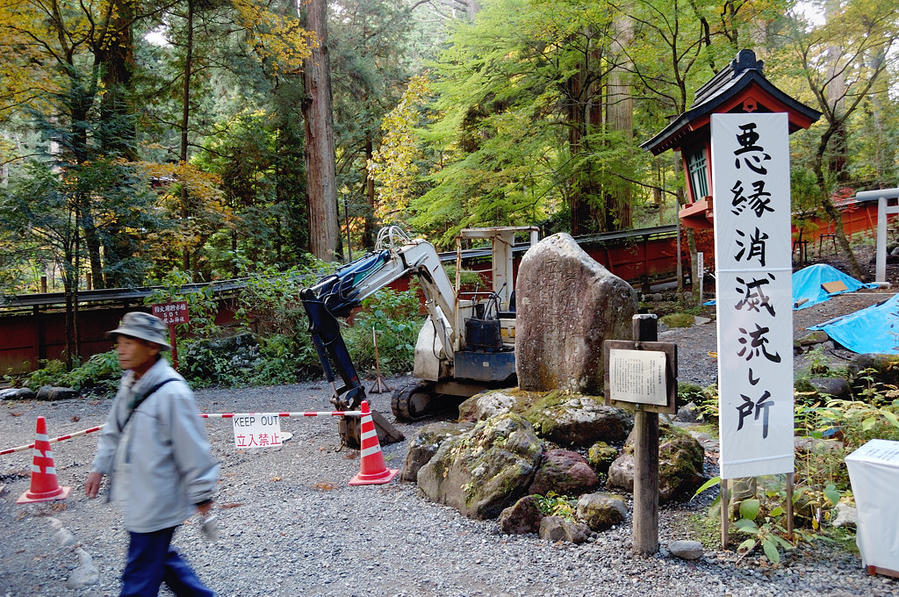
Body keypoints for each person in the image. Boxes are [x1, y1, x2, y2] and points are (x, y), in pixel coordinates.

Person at [85, 312, 219, 597]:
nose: (120, 348)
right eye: (119, 342)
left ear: (152, 347)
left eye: (129, 342)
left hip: (159, 500)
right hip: (139, 494)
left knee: (139, 576)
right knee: (162, 560)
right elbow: (114, 427)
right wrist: (99, 467)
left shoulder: (172, 393)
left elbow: (193, 449)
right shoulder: (130, 382)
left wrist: (203, 495)